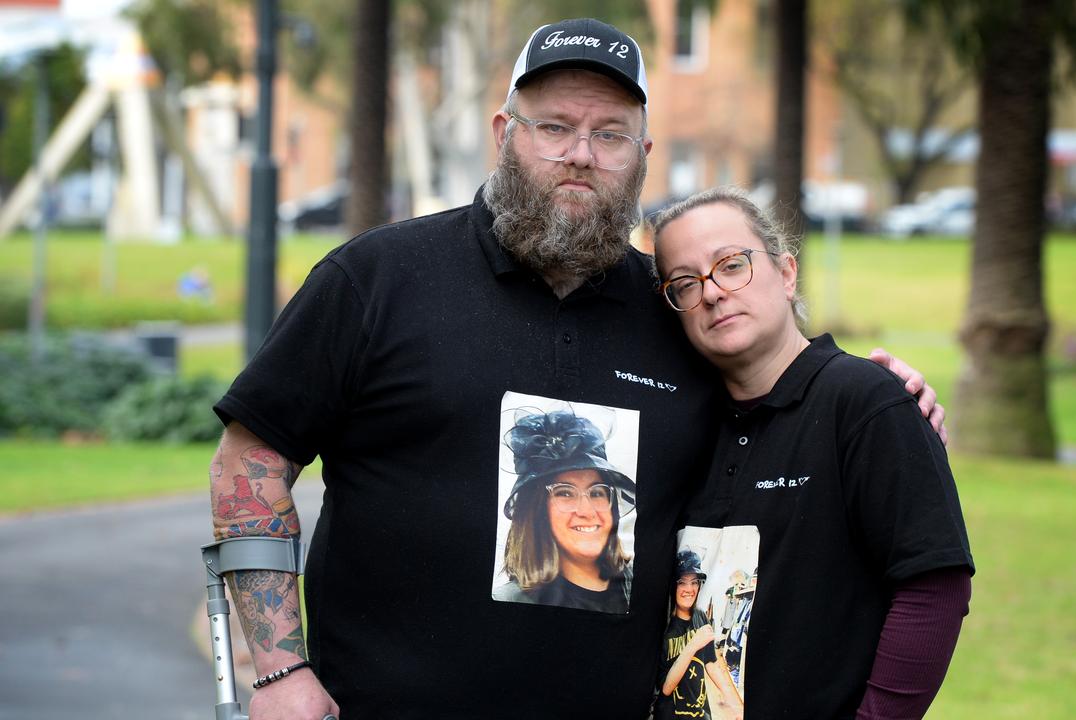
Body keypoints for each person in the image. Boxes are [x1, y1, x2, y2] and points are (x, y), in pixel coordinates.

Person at [207, 18, 946, 719]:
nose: (581, 153)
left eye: (610, 134)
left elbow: (781, 412)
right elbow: (251, 460)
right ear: (505, 134)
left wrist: (886, 400)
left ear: (643, 154)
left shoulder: (675, 310)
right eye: (554, 127)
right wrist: (278, 670)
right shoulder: (376, 279)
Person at [650, 186, 975, 719]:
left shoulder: (864, 400)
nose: (711, 292)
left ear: (785, 272)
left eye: (731, 265)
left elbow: (934, 586)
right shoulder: (682, 422)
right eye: (685, 283)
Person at [493, 409, 636, 613]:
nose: (587, 511)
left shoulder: (641, 588)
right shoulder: (507, 602)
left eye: (597, 493)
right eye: (565, 493)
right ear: (536, 511)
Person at [655, 549, 743, 720]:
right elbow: (666, 688)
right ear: (673, 584)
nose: (689, 589)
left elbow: (711, 663)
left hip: (701, 714)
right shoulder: (663, 625)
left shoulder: (700, 616)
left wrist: (736, 704)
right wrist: (694, 644)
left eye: (694, 582)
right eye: (682, 582)